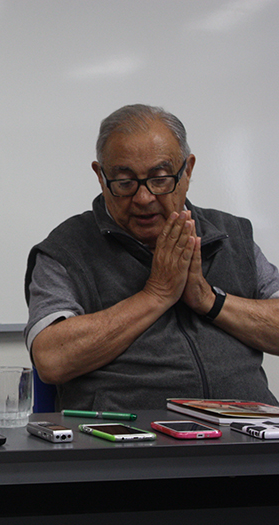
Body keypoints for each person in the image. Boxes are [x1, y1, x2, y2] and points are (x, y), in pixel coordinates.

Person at [24, 104, 279, 412]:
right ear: (101, 177)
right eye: (124, 182)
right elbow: (51, 359)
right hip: (130, 446)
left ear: (187, 171)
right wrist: (156, 295)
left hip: (249, 437)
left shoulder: (231, 235)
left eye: (160, 179)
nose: (143, 198)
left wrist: (209, 300)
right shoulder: (66, 249)